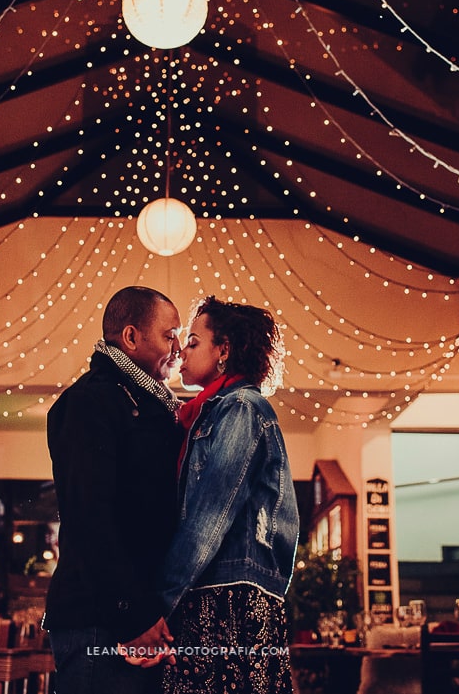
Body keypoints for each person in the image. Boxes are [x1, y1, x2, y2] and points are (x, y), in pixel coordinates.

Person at [155, 295, 300, 694]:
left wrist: (160, 601)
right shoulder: (210, 411)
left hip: (226, 601)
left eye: (194, 342)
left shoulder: (241, 408)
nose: (181, 351)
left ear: (224, 350)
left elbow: (208, 517)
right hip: (217, 595)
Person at [44, 285, 184, 694]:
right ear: (130, 337)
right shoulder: (92, 401)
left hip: (129, 616)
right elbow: (91, 516)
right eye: (169, 335)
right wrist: (133, 617)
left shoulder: (149, 403)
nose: (177, 346)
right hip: (101, 622)